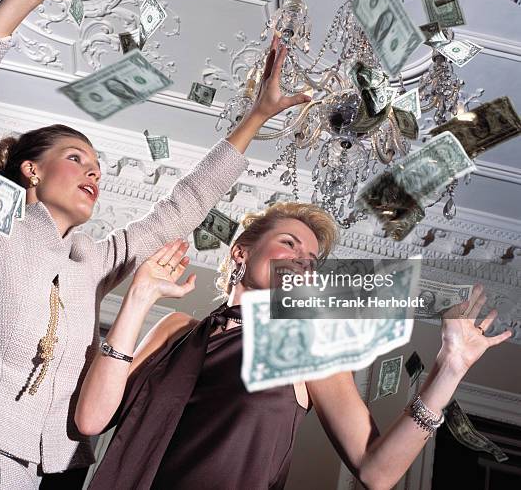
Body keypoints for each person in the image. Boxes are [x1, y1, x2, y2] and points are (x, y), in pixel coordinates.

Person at [0, 0, 311, 488]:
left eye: (98, 163)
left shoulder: (93, 262)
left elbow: (183, 207)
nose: (95, 172)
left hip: (50, 474)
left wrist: (255, 118)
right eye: (76, 158)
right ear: (30, 170)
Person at [78, 202, 512, 490]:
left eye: (309, 260)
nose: (301, 262)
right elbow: (92, 420)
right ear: (240, 253)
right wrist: (137, 300)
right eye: (289, 244)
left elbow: (376, 471)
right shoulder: (176, 329)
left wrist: (449, 367)